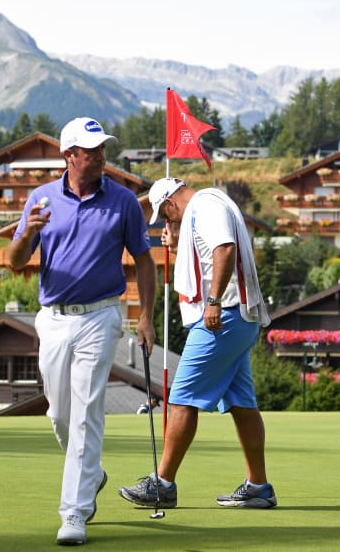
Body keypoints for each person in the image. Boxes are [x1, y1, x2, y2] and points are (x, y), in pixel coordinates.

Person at [7, 117, 156, 546]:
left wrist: (145, 316)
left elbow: (144, 261)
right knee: (59, 415)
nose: (101, 157)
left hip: (101, 317)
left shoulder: (125, 201)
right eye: (92, 151)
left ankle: (74, 512)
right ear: (69, 155)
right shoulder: (41, 199)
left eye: (103, 150)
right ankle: (93, 473)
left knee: (88, 412)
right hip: (53, 318)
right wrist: (28, 233)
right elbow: (16, 260)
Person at [118, 177, 276, 510]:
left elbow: (225, 249)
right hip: (236, 318)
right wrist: (176, 244)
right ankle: (258, 487)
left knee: (181, 399)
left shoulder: (204, 205)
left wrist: (214, 301)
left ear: (171, 203)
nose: (167, 222)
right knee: (242, 403)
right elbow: (205, 259)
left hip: (223, 316)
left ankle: (162, 484)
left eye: (166, 215)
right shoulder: (204, 209)